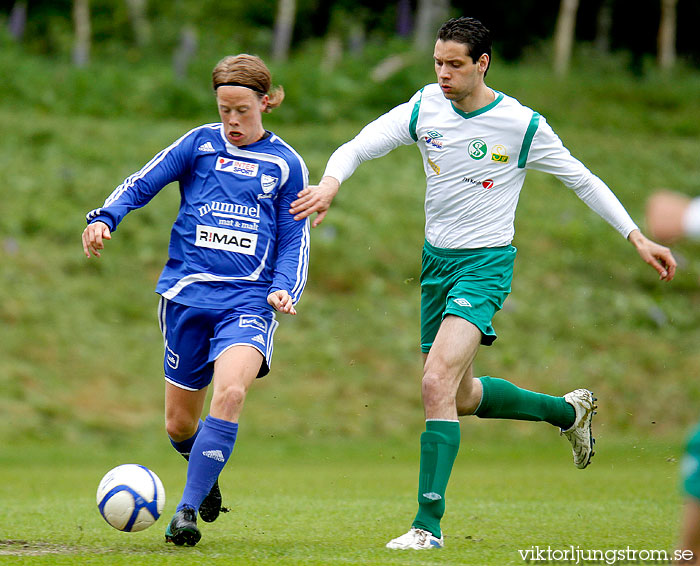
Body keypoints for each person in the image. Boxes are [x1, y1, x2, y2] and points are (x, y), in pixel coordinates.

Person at [290, 16, 677, 550]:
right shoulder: (426, 106)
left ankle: (427, 527)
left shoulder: (520, 126)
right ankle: (569, 412)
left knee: (434, 383)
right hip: (435, 265)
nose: (443, 74)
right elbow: (359, 145)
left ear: (482, 64)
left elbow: (581, 179)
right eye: (438, 63)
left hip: (486, 264)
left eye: (454, 65)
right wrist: (330, 183)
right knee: (463, 395)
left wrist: (636, 236)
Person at [82, 54, 310, 547]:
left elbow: (295, 236)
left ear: (266, 103)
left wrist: (284, 287)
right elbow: (143, 182)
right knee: (179, 424)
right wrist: (106, 217)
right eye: (224, 109)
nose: (232, 121)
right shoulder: (198, 144)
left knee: (230, 395)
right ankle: (204, 473)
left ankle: (184, 511)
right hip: (186, 298)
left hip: (248, 302)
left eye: (242, 110)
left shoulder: (285, 163)